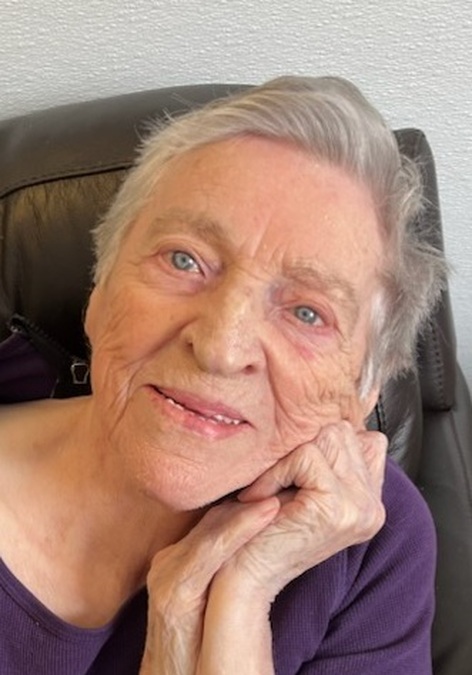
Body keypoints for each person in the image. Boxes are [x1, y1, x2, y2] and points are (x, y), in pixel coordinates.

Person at [0, 76, 447, 674]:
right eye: (184, 259)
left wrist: (238, 593)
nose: (219, 348)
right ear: (99, 291)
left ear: (364, 392)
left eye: (307, 313)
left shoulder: (368, 538)